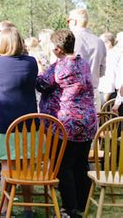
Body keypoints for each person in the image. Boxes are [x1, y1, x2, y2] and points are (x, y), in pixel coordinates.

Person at [36, 30, 97, 218]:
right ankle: (82, 203)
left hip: (67, 124)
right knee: (81, 163)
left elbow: (41, 84)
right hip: (88, 121)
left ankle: (69, 209)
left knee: (64, 166)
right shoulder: (83, 63)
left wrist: (39, 67)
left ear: (57, 49)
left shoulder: (58, 68)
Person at [0, 27, 38, 217]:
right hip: (28, 125)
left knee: (6, 166)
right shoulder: (31, 62)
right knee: (26, 166)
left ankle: (6, 206)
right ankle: (28, 208)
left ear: (2, 44)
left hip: (3, 124)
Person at [67, 8, 106, 111]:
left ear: (74, 21)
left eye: (68, 21)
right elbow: (102, 72)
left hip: (73, 96)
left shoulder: (70, 40)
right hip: (93, 93)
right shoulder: (99, 42)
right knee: (94, 126)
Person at [98, 32, 120, 103]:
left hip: (107, 93)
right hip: (104, 91)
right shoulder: (111, 54)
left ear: (108, 43)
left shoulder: (112, 56)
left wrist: (104, 99)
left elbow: (110, 77)